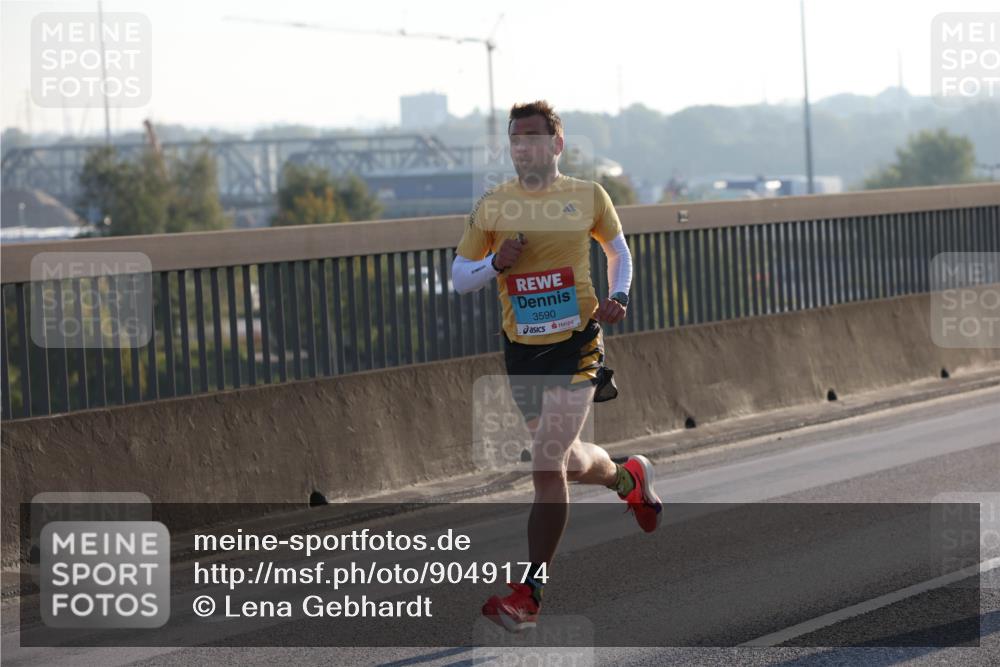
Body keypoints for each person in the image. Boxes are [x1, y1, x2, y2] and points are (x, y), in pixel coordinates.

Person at [451, 100, 662, 633]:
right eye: (515, 138)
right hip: (523, 352)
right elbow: (459, 275)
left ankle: (529, 594)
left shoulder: (587, 196)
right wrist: (494, 263)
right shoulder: (493, 205)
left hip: (578, 343)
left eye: (533, 137)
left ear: (556, 145)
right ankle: (626, 476)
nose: (523, 146)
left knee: (545, 464)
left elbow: (620, 252)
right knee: (563, 462)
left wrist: (619, 294)